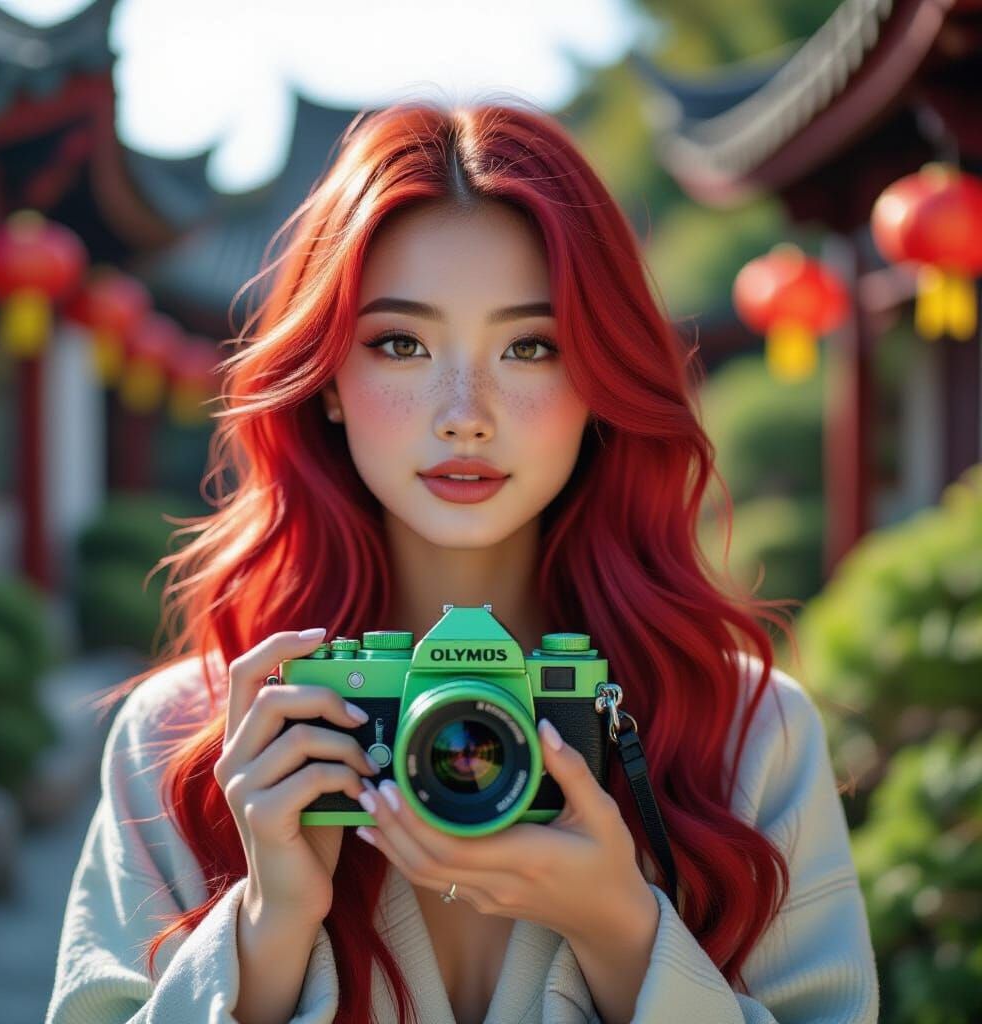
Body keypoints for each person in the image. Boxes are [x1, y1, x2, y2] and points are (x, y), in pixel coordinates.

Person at [45, 99, 880, 1024]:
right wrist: (265, 931)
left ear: (599, 381)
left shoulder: (743, 731)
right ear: (326, 381)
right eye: (401, 343)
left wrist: (621, 933)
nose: (465, 411)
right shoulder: (197, 740)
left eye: (531, 346)